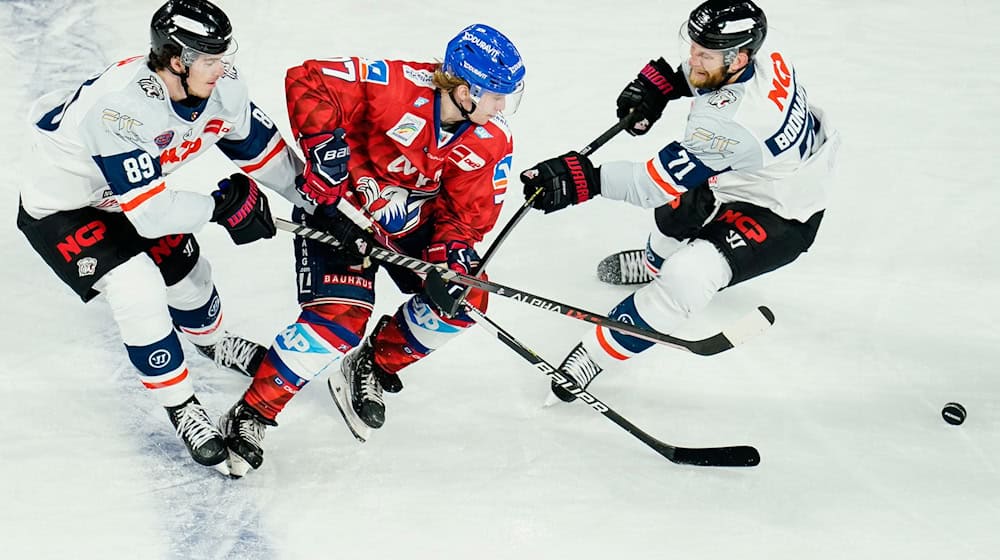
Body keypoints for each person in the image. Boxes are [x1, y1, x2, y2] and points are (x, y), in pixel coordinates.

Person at [219, 23, 525, 477]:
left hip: (407, 232)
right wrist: (326, 153)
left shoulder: (489, 139)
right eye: (496, 95)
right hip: (341, 217)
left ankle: (373, 362)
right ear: (464, 90)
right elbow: (308, 79)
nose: (503, 107)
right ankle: (250, 415)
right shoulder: (395, 86)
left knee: (466, 299)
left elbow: (463, 216)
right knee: (338, 322)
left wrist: (451, 256)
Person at [16, 0, 304, 474]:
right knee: (138, 286)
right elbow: (151, 217)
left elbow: (259, 149)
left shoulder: (220, 84)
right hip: (64, 209)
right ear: (176, 60)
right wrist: (221, 208)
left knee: (190, 277)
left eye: (222, 56)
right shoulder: (120, 111)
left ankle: (212, 342)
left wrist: (322, 206)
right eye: (210, 59)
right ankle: (182, 407)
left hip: (127, 196)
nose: (223, 68)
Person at [519, 0, 840, 402]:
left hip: (783, 216)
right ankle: (654, 262)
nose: (693, 58)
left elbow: (648, 184)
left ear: (740, 55)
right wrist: (665, 84)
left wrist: (585, 180)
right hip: (747, 176)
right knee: (675, 212)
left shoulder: (731, 127)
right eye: (692, 47)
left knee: (687, 276)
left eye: (704, 54)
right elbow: (708, 85)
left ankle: (596, 354)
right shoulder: (765, 57)